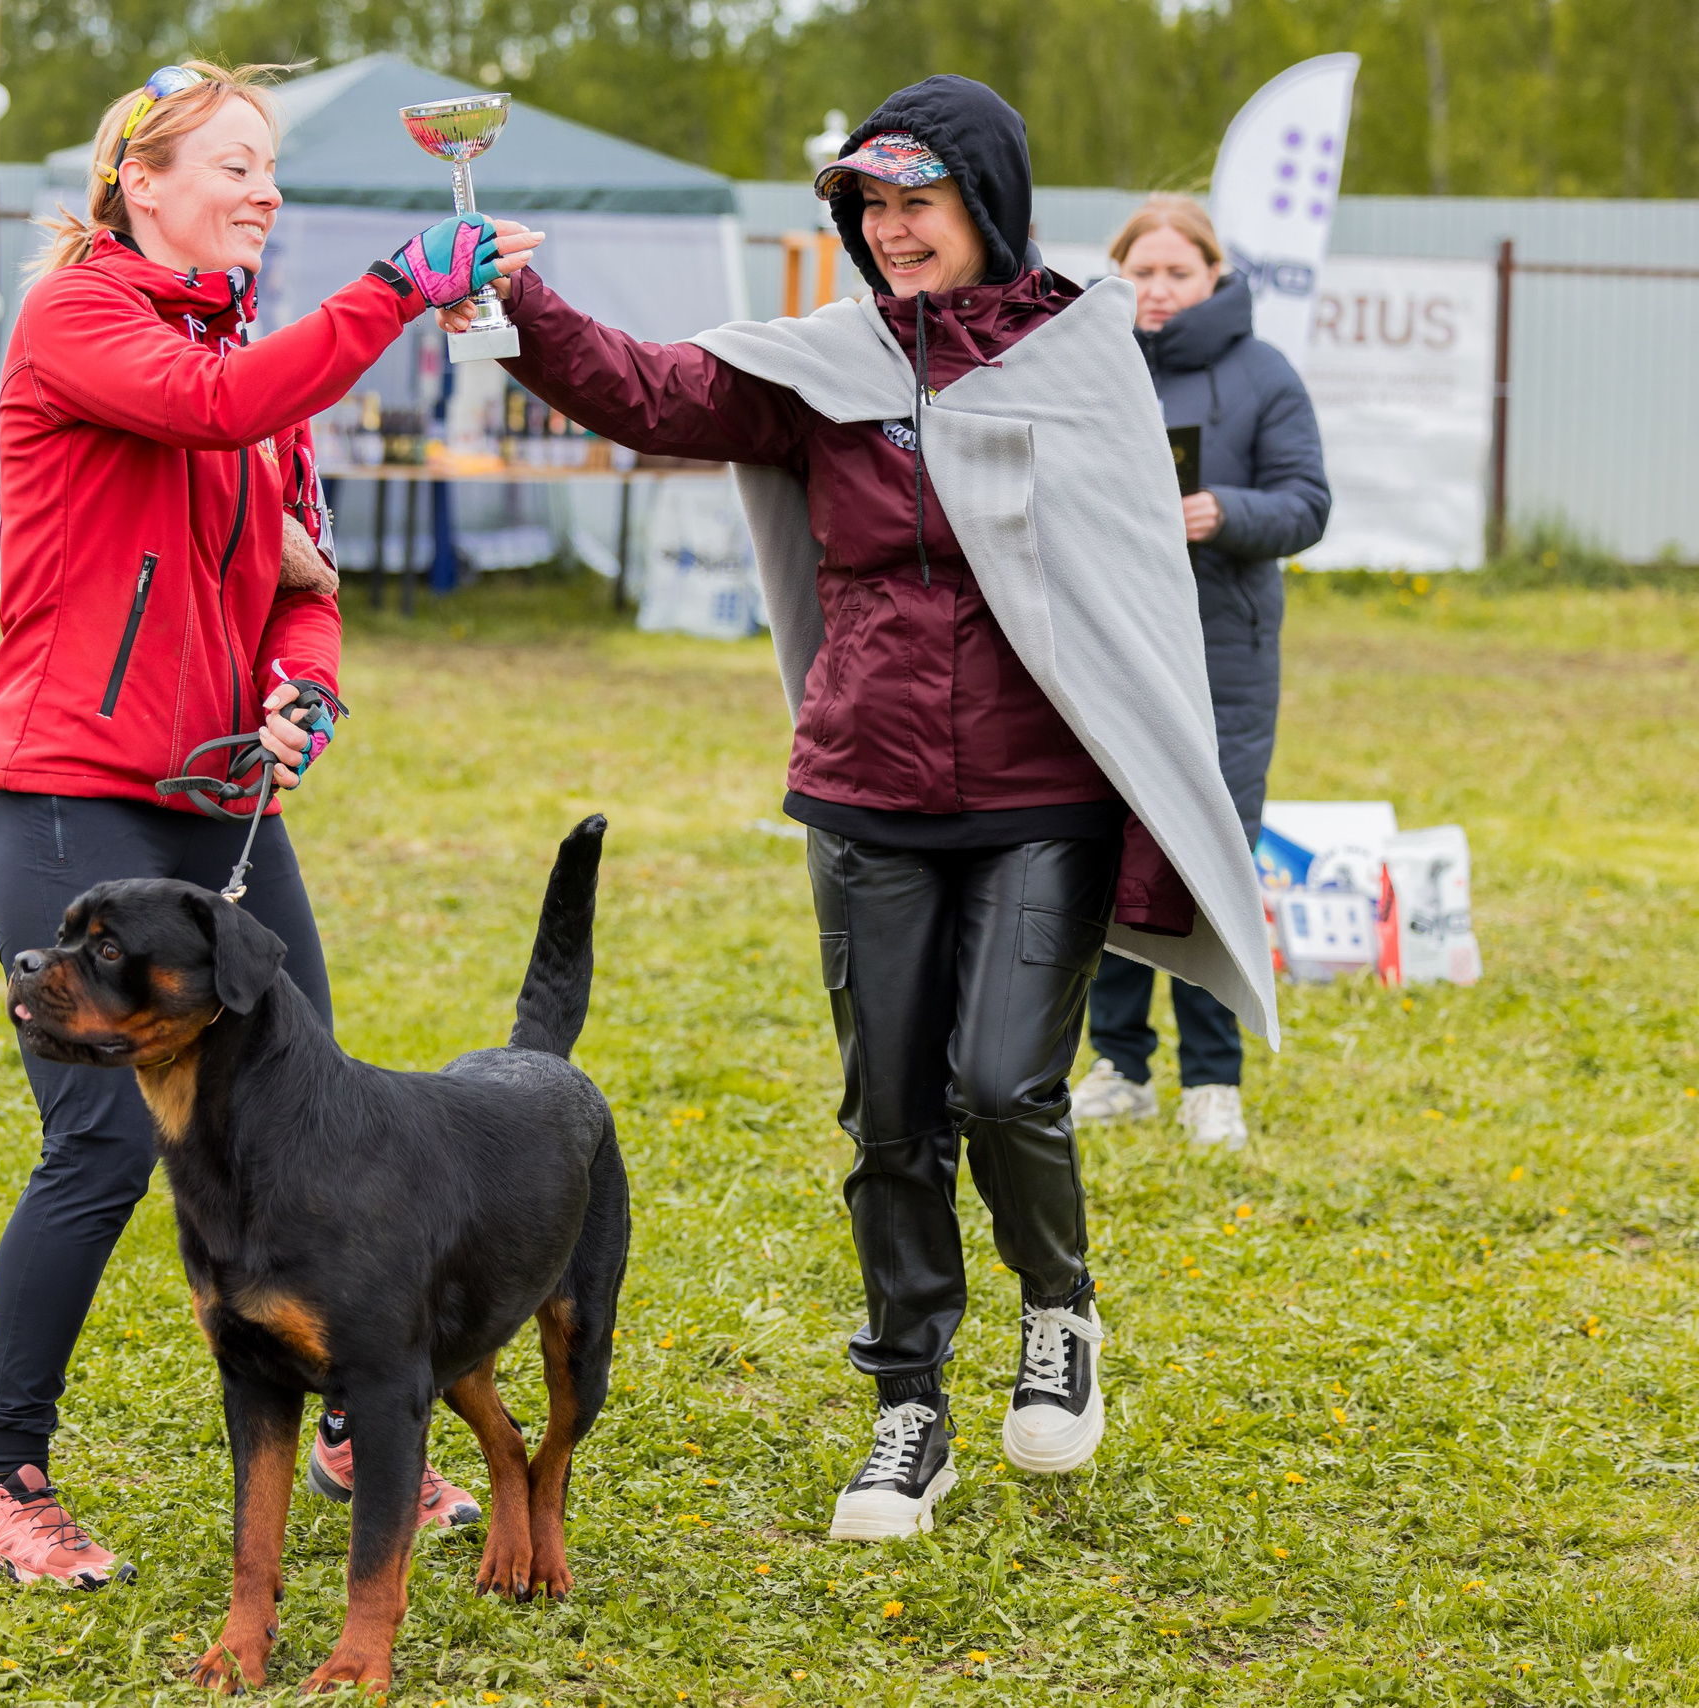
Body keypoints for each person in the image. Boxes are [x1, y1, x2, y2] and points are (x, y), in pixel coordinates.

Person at [454, 76, 1274, 1541]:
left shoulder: (1082, 355)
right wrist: (522, 304)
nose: (894, 234)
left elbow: (1139, 593)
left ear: (989, 205)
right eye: (871, 208)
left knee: (1005, 1084)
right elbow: (651, 391)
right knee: (890, 1117)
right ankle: (909, 1409)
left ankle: (1060, 1311)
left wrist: (1169, 805)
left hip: (1047, 794)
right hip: (867, 790)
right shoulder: (825, 365)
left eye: (921, 204)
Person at [0, 60, 544, 1588]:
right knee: (99, 1147)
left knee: (321, 1115)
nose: (264, 191)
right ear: (142, 182)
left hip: (220, 807)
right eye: (234, 165)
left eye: (272, 170)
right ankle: (0, 1478)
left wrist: (303, 692)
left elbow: (304, 588)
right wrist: (399, 287)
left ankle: (351, 1424)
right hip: (70, 786)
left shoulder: (269, 365)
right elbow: (210, 404)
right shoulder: (81, 317)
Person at [1071, 196, 1330, 1150]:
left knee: (1209, 856)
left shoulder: (1265, 377)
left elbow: (1308, 504)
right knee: (1106, 852)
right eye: (1143, 271)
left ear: (1215, 277)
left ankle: (1213, 1080)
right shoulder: (1089, 372)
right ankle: (1121, 1064)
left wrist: (1221, 511)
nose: (1160, 290)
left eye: (1180, 272)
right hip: (1110, 645)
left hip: (1225, 655)